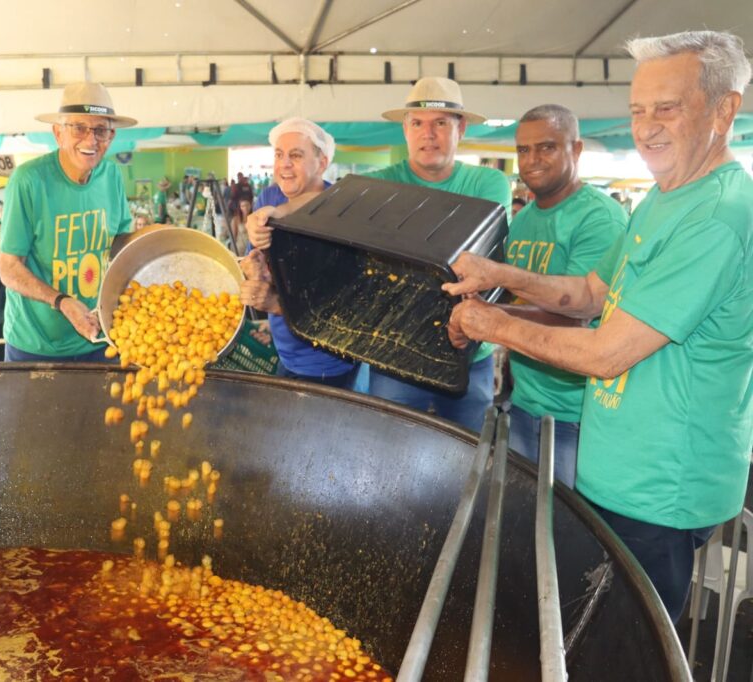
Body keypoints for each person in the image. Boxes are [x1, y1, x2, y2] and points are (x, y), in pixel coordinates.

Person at [443, 30, 752, 621]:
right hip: (617, 475)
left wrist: (492, 325)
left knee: (627, 649)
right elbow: (587, 295)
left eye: (667, 108)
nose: (647, 127)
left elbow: (607, 352)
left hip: (662, 489)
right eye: (638, 111)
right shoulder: (666, 197)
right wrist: (494, 275)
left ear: (725, 109)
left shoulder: (717, 217)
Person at [248, 77, 511, 433]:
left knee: (467, 455)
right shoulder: (384, 181)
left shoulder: (487, 184)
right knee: (389, 450)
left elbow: (481, 262)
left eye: (440, 123)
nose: (427, 134)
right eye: (417, 123)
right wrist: (279, 214)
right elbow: (334, 199)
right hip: (396, 356)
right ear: (405, 129)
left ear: (460, 128)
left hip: (468, 355)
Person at [503, 104, 627, 487]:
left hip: (576, 412)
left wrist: (490, 322)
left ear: (576, 150)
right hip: (525, 401)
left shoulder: (599, 219)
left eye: (547, 148)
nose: (532, 160)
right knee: (527, 525)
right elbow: (520, 300)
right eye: (523, 150)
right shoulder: (522, 220)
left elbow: (578, 315)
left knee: (571, 537)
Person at [0, 81, 142, 362]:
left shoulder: (111, 176)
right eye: (79, 128)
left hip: (99, 338)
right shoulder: (28, 181)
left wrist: (162, 241)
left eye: (100, 130)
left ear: (111, 137)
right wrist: (61, 301)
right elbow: (8, 268)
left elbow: (121, 243)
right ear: (58, 133)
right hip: (35, 346)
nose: (91, 140)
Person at [241, 118, 359, 389]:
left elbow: (339, 305)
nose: (284, 164)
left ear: (322, 162)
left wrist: (273, 304)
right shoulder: (269, 198)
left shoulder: (340, 211)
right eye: (279, 155)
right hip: (286, 348)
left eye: (296, 155)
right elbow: (257, 260)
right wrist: (255, 269)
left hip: (327, 362)